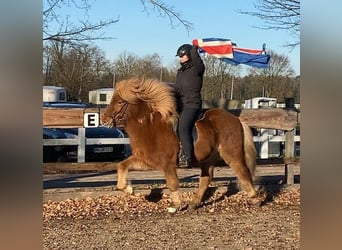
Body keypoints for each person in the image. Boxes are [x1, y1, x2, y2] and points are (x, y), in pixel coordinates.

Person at [174, 44, 205, 168]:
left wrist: (194, 49)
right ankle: (178, 154)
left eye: (182, 55)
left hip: (192, 104)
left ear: (189, 55)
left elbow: (198, 61)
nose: (180, 58)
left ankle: (189, 158)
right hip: (181, 104)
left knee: (183, 129)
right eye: (179, 56)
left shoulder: (197, 68)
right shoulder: (181, 71)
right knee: (176, 130)